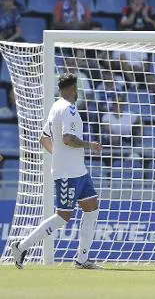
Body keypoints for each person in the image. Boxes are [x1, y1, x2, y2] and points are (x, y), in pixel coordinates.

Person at [10, 73, 104, 270]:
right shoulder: (68, 109)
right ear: (73, 89)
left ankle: (82, 259)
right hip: (68, 174)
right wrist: (90, 145)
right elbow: (68, 139)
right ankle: (21, 246)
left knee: (92, 207)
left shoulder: (55, 107)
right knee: (63, 216)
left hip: (78, 171)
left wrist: (59, 156)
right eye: (77, 89)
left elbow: (43, 138)